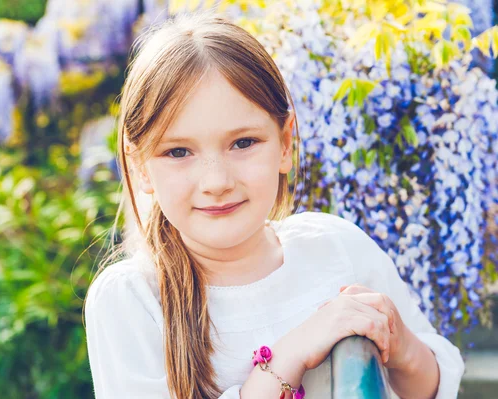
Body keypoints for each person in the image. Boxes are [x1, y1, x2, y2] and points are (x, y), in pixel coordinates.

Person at [83, 10, 465, 399]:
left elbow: (432, 386)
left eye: (243, 143)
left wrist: (401, 347)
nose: (216, 182)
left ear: (285, 143)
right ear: (140, 167)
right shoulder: (132, 301)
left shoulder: (339, 249)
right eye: (178, 151)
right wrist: (290, 356)